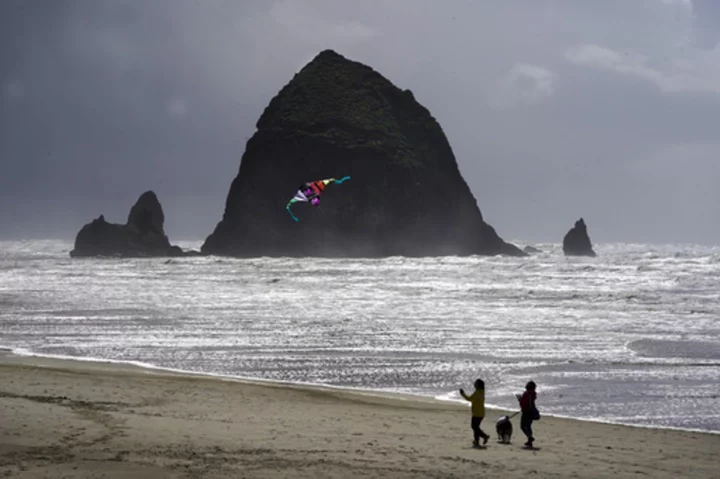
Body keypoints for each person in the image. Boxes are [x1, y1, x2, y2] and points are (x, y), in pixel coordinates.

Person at [460, 379, 490, 448]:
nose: (474, 385)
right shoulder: (482, 392)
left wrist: (462, 394)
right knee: (476, 427)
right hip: (481, 413)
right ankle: (476, 441)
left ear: (478, 385)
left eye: (475, 384)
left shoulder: (477, 392)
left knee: (474, 427)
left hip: (476, 414)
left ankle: (484, 436)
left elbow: (469, 399)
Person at [516, 380, 538, 448]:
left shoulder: (527, 393)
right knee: (528, 426)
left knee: (522, 426)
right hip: (530, 411)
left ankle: (529, 437)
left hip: (526, 412)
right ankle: (529, 440)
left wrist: (520, 399)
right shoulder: (533, 393)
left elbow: (524, 403)